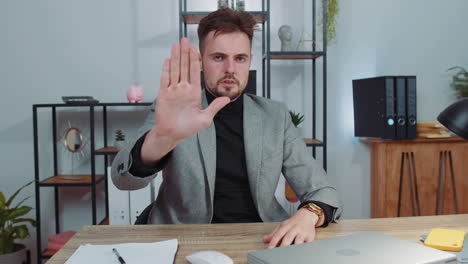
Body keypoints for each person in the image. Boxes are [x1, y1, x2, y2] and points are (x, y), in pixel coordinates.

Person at [112, 8, 342, 248]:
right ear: (201, 61)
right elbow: (123, 180)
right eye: (219, 57)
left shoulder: (275, 116)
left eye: (240, 58)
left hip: (262, 237)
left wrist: (308, 215)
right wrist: (162, 138)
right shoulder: (173, 110)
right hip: (183, 238)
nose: (230, 69)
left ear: (249, 61)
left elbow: (322, 190)